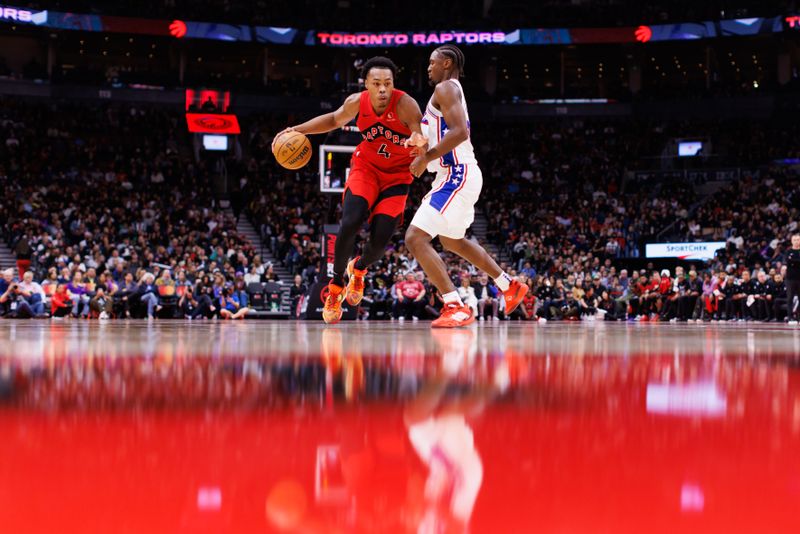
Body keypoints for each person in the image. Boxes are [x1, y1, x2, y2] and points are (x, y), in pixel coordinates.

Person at [273, 56, 425, 324]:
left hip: (397, 176)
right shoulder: (357, 102)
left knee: (379, 242)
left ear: (393, 84)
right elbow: (333, 119)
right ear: (365, 84)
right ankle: (335, 286)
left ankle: (360, 268)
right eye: (376, 83)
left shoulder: (406, 105)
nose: (382, 89)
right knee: (350, 222)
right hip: (365, 168)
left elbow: (419, 136)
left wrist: (419, 144)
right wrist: (298, 130)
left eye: (387, 84)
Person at [403, 44, 527, 328]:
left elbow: (461, 132)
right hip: (456, 174)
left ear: (446, 63)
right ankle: (509, 285)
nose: (428, 67)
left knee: (414, 238)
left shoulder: (446, 88)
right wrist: (422, 145)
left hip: (456, 174)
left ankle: (454, 306)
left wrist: (426, 158)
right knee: (452, 241)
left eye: (432, 62)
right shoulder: (449, 91)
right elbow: (446, 133)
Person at [786, 234, 800, 324]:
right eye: (794, 240)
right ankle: (790, 317)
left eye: (798, 239)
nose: (796, 241)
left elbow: (792, 262)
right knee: (790, 298)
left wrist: (793, 261)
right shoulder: (788, 251)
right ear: (791, 241)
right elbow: (788, 261)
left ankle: (799, 318)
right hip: (790, 278)